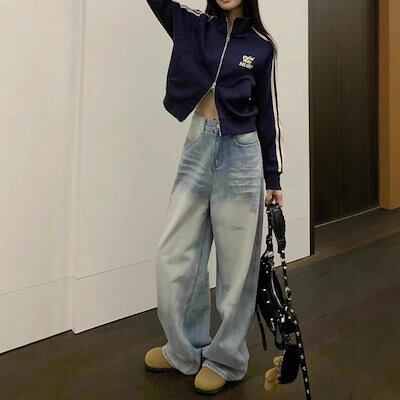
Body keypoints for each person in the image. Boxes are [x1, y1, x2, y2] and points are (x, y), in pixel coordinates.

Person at [143, 0, 284, 394]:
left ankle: (226, 359)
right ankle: (183, 350)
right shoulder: (193, 25)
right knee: (175, 254)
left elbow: (268, 112)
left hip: (241, 153)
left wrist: (273, 176)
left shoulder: (262, 46)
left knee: (236, 268)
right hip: (198, 144)